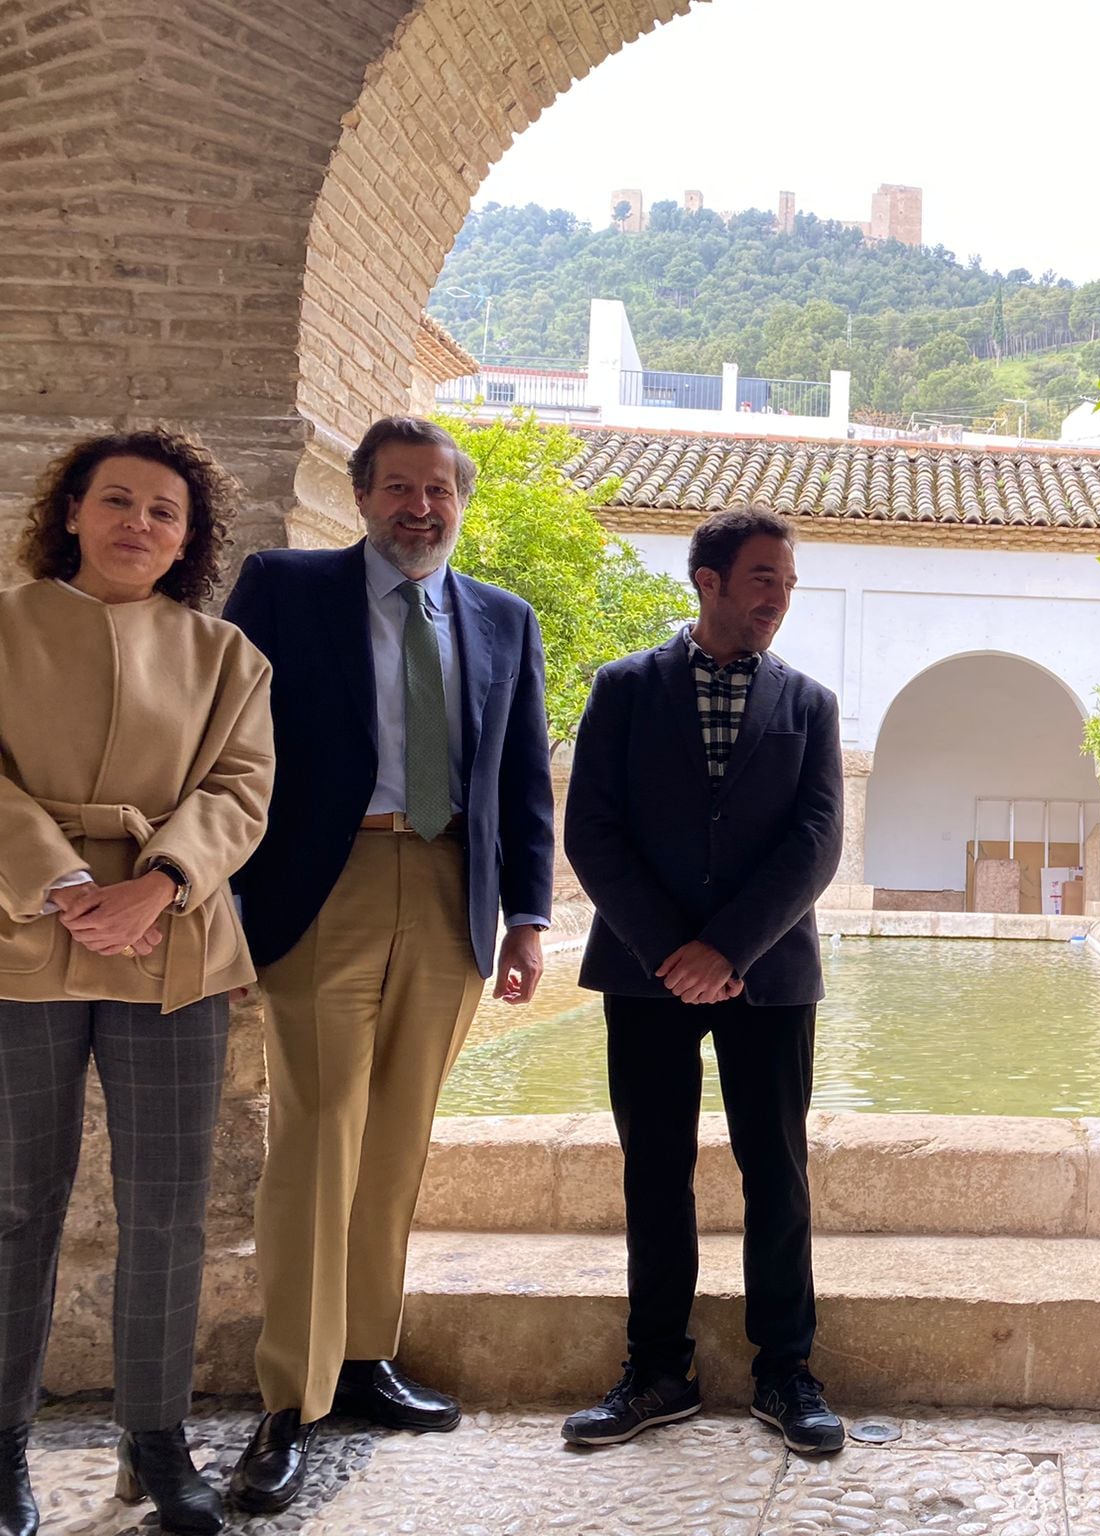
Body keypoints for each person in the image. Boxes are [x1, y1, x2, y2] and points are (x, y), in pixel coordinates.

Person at [221, 416, 554, 1514]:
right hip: (330, 884)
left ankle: (366, 1358)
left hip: (453, 890)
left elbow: (520, 785)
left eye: (438, 491)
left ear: (460, 502)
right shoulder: (284, 588)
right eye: (398, 490)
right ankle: (290, 1399)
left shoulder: (503, 618)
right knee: (318, 1137)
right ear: (362, 499)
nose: (421, 509)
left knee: (400, 1140)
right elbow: (225, 736)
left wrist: (529, 918)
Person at [0, 430, 275, 1536]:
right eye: (117, 501)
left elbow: (240, 789)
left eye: (165, 512)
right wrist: (64, 882)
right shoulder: (5, 626)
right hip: (20, 936)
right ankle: (4, 1447)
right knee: (16, 1205)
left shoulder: (224, 656)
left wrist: (157, 884)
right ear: (70, 510)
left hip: (173, 948)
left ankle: (155, 1443)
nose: (139, 525)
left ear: (187, 538)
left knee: (167, 1213)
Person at [561, 505, 845, 1455]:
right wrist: (669, 949)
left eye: (789, 584)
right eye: (765, 578)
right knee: (654, 1172)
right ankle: (655, 1371)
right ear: (709, 579)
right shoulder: (624, 689)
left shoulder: (808, 704)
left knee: (778, 1173)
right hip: (647, 976)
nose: (780, 599)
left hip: (768, 975)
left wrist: (728, 948)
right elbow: (593, 830)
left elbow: (816, 843)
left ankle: (786, 1371)